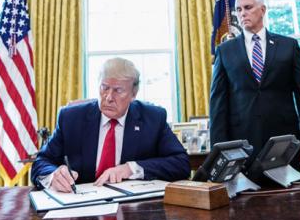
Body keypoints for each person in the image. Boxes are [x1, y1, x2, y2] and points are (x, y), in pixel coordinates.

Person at [32, 57, 190, 192]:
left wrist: (131, 169)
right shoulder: (71, 118)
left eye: (118, 90)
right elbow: (41, 163)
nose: (108, 97)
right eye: (104, 87)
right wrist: (54, 175)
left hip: (133, 213)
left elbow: (181, 164)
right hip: (80, 210)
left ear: (133, 94)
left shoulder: (153, 118)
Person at [209, 0, 300, 176]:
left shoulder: (288, 46)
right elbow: (217, 104)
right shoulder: (225, 50)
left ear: (262, 10)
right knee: (245, 203)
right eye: (238, 9)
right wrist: (219, 151)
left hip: (284, 144)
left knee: (290, 202)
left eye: (248, 7)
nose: (242, 13)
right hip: (241, 147)